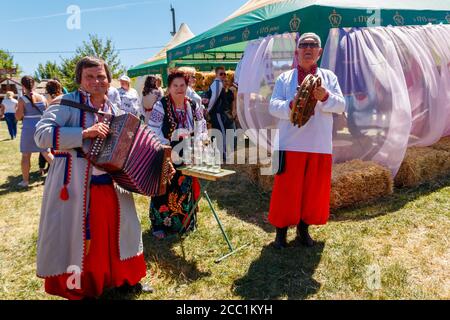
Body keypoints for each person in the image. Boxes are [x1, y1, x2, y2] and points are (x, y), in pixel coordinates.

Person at [34, 56, 159, 300]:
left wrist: (157, 161)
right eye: (89, 76)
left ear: (109, 78)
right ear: (79, 79)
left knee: (123, 233)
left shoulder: (114, 107)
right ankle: (84, 286)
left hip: (114, 186)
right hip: (77, 188)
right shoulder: (65, 103)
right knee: (84, 241)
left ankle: (126, 280)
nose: (96, 81)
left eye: (101, 76)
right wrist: (83, 134)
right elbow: (41, 136)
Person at [268, 33, 345, 249]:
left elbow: (341, 106)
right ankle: (280, 234)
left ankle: (303, 230)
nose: (308, 49)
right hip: (290, 144)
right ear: (297, 51)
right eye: (304, 45)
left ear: (319, 52)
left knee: (312, 191)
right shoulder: (285, 78)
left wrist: (326, 97)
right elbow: (273, 106)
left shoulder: (329, 77)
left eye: (313, 46)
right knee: (286, 191)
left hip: (318, 144)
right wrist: (292, 105)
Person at [147, 70, 208, 239]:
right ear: (169, 87)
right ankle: (159, 225)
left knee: (183, 188)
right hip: (166, 152)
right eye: (175, 85)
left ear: (187, 86)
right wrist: (168, 148)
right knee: (164, 189)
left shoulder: (193, 105)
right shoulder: (161, 105)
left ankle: (184, 223)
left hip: (187, 152)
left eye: (182, 85)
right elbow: (153, 130)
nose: (179, 89)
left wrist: (200, 144)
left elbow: (201, 127)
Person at [15, 76, 53, 187]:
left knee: (26, 155)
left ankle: (25, 181)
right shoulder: (42, 97)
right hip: (41, 127)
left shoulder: (22, 99)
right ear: (34, 85)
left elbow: (18, 117)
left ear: (22, 86)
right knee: (47, 153)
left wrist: (17, 109)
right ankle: (62, 175)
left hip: (28, 129)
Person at [204, 66, 235, 159]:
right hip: (217, 113)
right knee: (222, 133)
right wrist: (208, 111)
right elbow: (213, 99)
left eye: (224, 74)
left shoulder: (217, 83)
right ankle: (223, 155)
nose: (223, 75)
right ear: (216, 75)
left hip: (218, 113)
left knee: (219, 133)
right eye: (221, 74)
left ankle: (220, 154)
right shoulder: (218, 83)